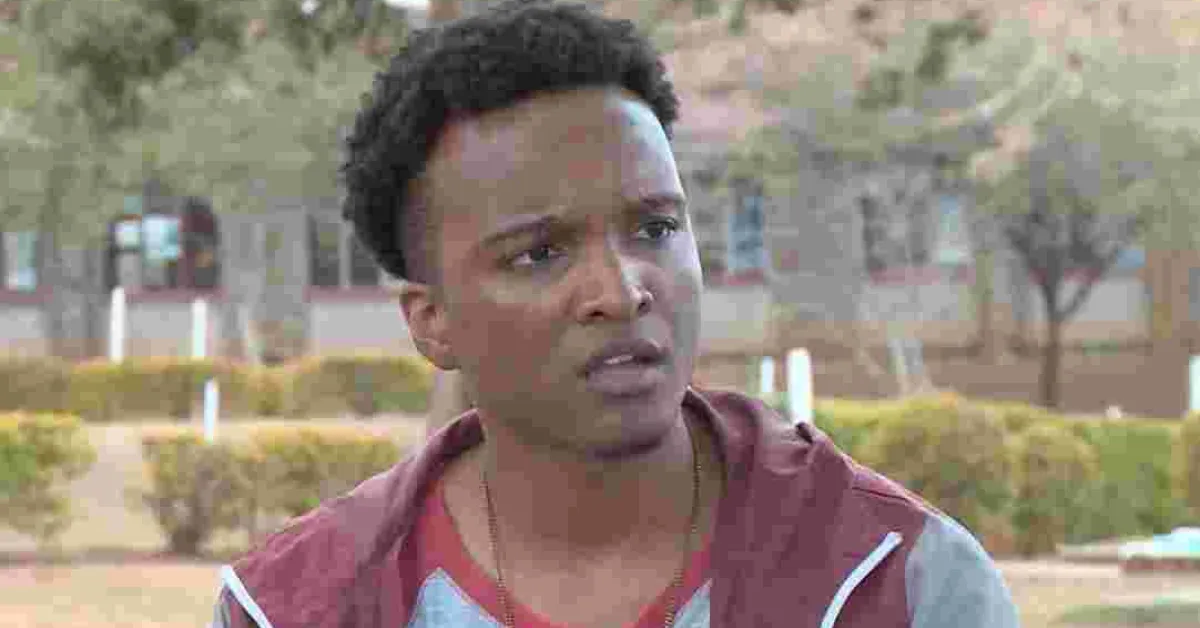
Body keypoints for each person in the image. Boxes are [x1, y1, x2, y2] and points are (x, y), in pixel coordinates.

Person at [210, 1, 1020, 626]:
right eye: (539, 253)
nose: (623, 289)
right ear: (433, 322)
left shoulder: (898, 583)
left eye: (655, 229)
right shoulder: (298, 608)